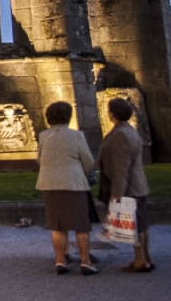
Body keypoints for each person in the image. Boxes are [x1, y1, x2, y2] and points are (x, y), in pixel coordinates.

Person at [36, 101, 99, 276]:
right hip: (74, 184)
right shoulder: (76, 136)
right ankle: (85, 261)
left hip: (50, 184)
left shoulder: (43, 136)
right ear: (68, 116)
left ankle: (60, 259)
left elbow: (40, 160)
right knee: (81, 225)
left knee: (57, 225)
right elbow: (88, 162)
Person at [98, 97, 153, 273]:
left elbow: (121, 168)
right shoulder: (128, 130)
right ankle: (145, 258)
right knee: (141, 224)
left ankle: (140, 260)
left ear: (112, 113)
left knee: (134, 224)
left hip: (129, 188)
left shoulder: (121, 134)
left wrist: (117, 194)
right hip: (137, 185)